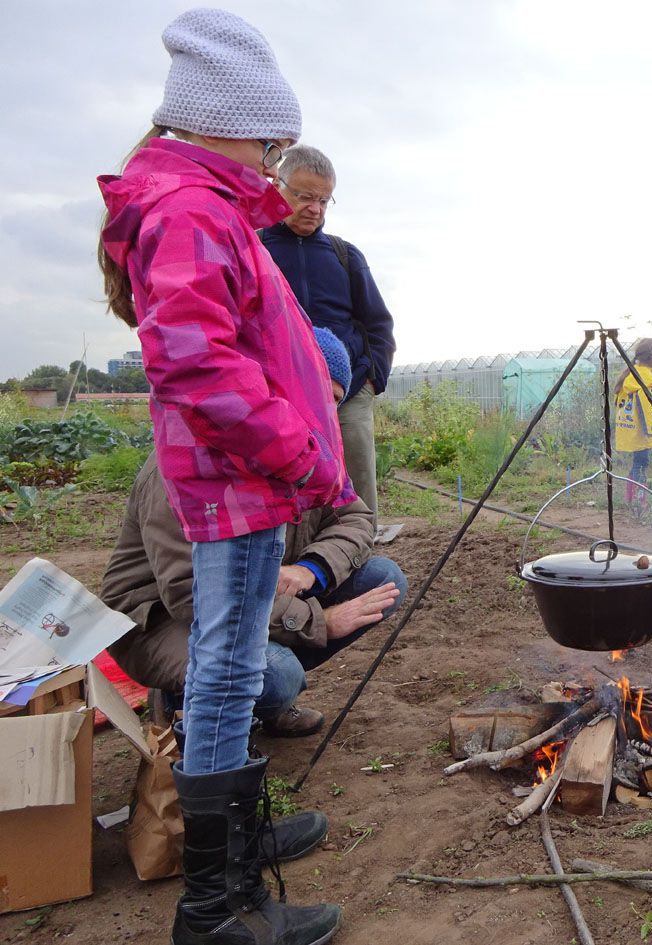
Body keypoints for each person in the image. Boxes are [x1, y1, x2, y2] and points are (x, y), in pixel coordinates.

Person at [97, 10, 346, 943]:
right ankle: (216, 906)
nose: (274, 159)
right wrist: (296, 447)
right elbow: (197, 364)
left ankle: (235, 843)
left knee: (232, 668)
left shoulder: (202, 204)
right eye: (269, 139)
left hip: (238, 478)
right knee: (226, 666)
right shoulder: (190, 211)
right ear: (222, 120)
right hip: (236, 479)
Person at [103, 328, 405, 741]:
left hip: (257, 598)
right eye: (313, 392)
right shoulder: (192, 457)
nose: (321, 411)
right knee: (278, 674)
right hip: (161, 620)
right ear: (276, 384)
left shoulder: (311, 452)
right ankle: (181, 700)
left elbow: (356, 519)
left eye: (333, 401)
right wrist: (319, 621)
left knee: (384, 579)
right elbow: (194, 594)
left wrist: (310, 570)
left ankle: (261, 699)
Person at [260, 145, 396, 534]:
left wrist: (369, 381)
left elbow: (378, 325)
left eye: (323, 199)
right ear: (278, 186)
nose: (314, 208)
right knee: (282, 479)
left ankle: (361, 547)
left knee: (356, 477)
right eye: (304, 196)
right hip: (277, 396)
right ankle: (292, 554)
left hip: (347, 393)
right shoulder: (255, 247)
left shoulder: (344, 255)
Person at [612, 338, 652, 504]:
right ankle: (639, 501)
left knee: (637, 463)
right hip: (640, 432)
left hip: (629, 429)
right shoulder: (647, 379)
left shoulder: (631, 374)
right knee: (641, 464)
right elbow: (647, 410)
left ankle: (629, 498)